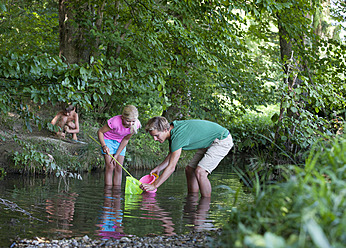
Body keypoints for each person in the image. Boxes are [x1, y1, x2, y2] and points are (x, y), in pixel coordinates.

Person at [140, 116, 233, 198]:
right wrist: (159, 168)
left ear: (165, 130)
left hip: (221, 139)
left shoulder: (177, 136)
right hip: (209, 142)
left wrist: (154, 185)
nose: (155, 139)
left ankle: (205, 205)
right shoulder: (172, 131)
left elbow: (172, 167)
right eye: (153, 136)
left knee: (200, 172)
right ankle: (192, 199)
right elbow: (172, 154)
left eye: (156, 135)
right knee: (189, 169)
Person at [97, 105, 141, 186]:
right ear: (123, 117)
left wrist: (117, 155)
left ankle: (116, 192)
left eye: (133, 121)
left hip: (120, 142)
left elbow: (126, 139)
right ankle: (108, 191)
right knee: (110, 166)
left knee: (119, 167)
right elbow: (100, 132)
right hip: (108, 140)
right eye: (128, 121)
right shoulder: (115, 122)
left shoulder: (135, 125)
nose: (131, 124)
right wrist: (104, 146)